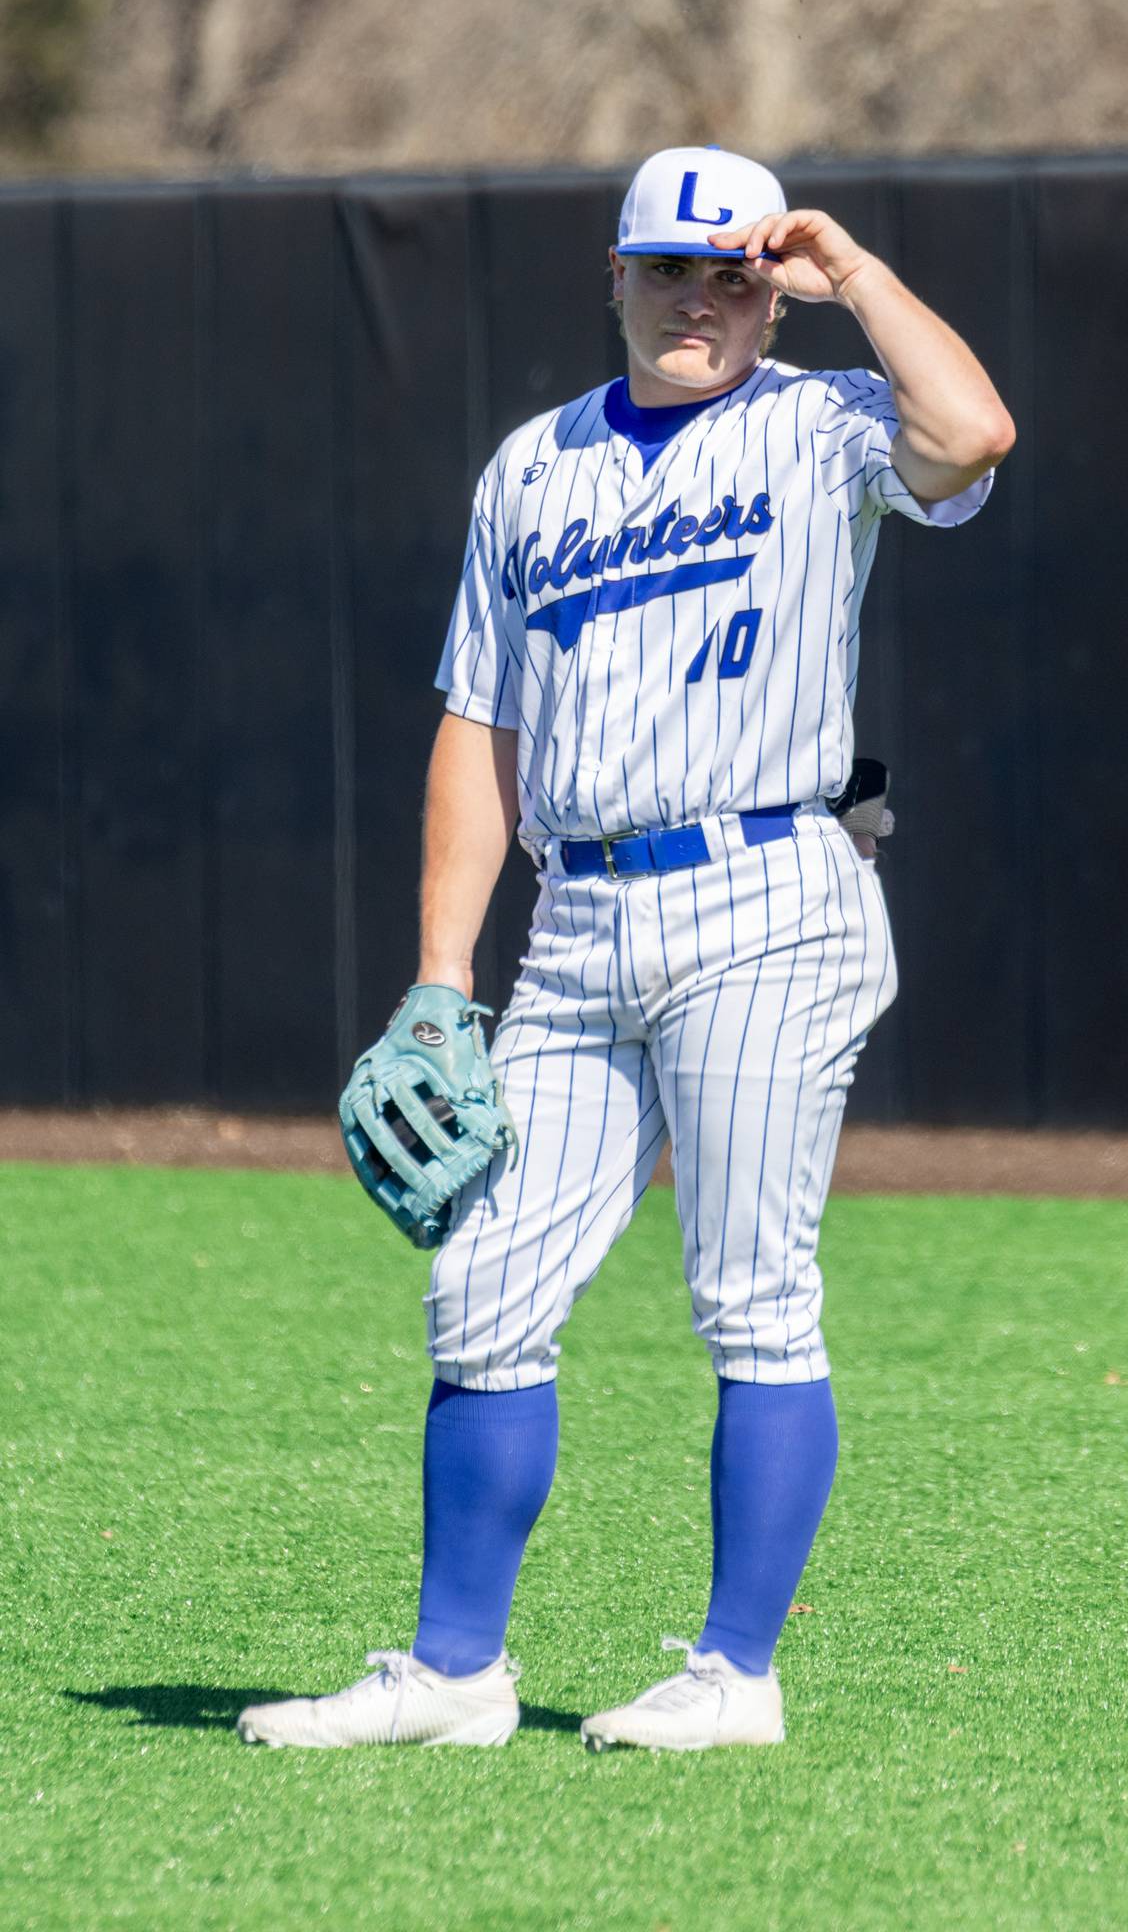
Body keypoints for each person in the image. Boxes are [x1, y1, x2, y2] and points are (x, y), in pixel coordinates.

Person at [238, 145, 1014, 1753]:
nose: (699, 301)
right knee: (486, 1284)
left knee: (749, 1295)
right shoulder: (533, 470)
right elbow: (481, 724)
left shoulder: (825, 422)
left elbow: (975, 434)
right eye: (670, 269)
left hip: (766, 891)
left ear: (767, 287)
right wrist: (443, 975)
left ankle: (737, 1675)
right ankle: (456, 1676)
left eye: (730, 275)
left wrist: (851, 277)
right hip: (580, 914)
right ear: (615, 274)